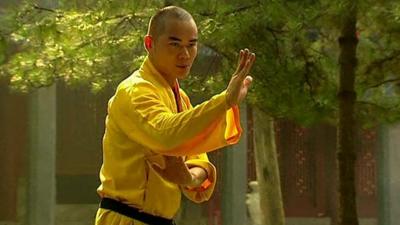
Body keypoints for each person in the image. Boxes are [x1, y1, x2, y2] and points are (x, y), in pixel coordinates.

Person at [95, 5, 255, 225]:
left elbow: (197, 159)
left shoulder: (180, 97)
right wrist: (224, 101)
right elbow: (165, 133)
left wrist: (188, 177)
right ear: (149, 44)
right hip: (126, 218)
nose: (185, 54)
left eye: (191, 45)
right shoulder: (134, 91)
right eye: (175, 44)